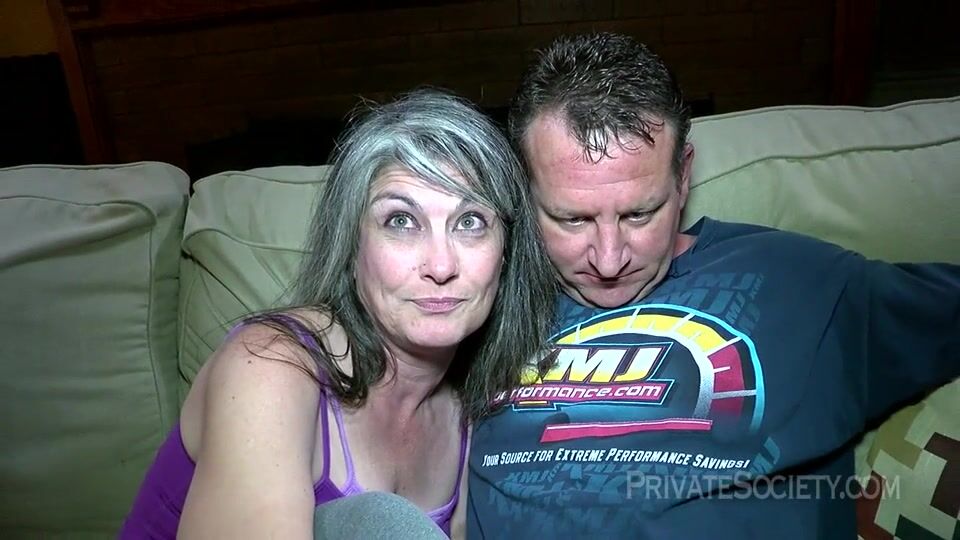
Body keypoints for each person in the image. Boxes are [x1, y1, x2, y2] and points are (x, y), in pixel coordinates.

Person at [466, 32, 960, 538]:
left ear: (683, 177)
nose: (609, 260)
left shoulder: (799, 282)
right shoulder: (480, 300)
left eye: (640, 214)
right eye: (572, 219)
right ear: (524, 192)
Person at [120, 88, 558, 539]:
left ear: (505, 254)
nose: (441, 266)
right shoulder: (269, 367)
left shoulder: (473, 412)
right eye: (401, 221)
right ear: (351, 247)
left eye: (470, 222)